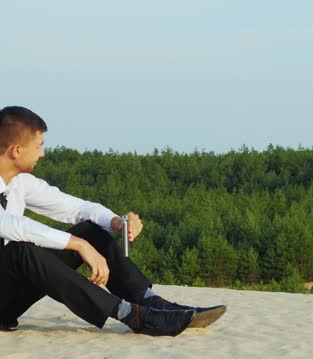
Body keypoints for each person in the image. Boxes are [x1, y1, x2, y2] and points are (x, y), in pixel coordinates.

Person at [0, 106, 226, 336]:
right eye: (39, 146)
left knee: (90, 230)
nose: (43, 154)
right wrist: (78, 245)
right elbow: (12, 226)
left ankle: (152, 303)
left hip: (9, 296)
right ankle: (133, 315)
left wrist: (116, 221)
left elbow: (78, 208)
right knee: (22, 251)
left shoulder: (20, 183)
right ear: (17, 150)